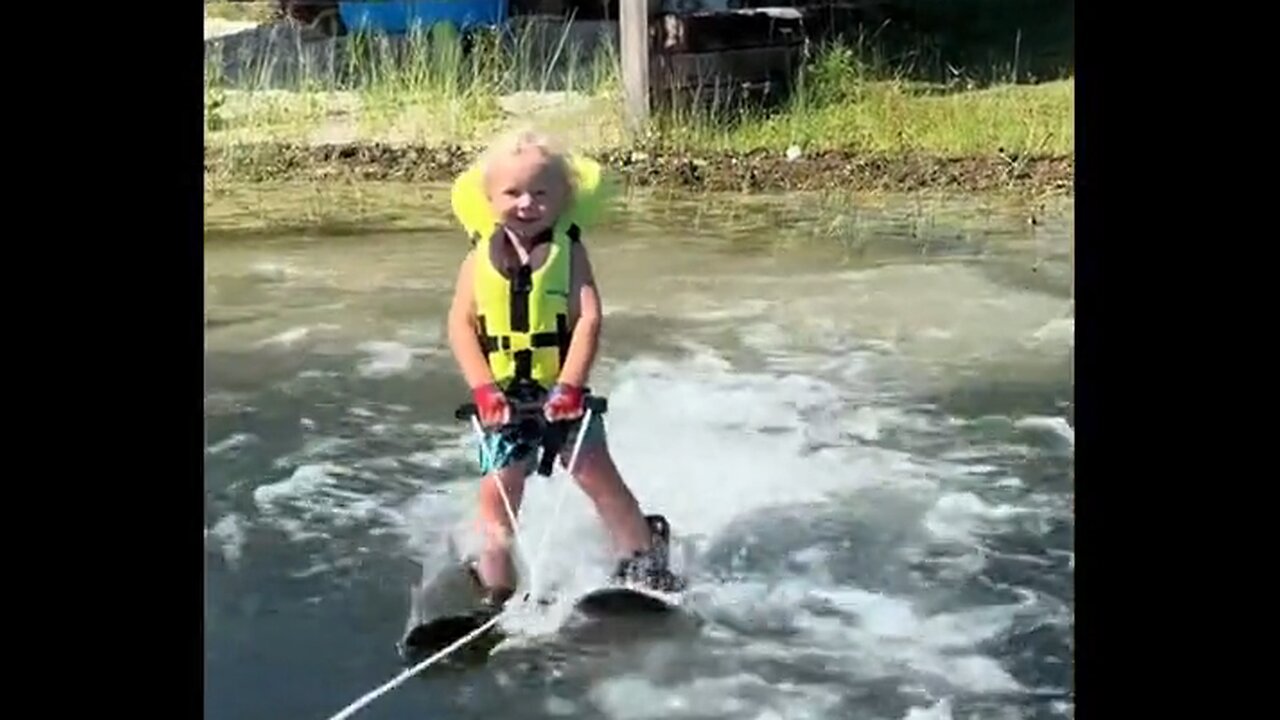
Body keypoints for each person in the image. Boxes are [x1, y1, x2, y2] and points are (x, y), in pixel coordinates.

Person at [444, 129, 684, 612]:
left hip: (562, 395)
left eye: (540, 193)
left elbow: (590, 318)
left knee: (597, 476)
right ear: (490, 199)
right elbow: (460, 324)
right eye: (513, 193)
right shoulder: (477, 260)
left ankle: (642, 554)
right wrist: (484, 388)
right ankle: (495, 584)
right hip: (502, 401)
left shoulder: (569, 254)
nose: (527, 203)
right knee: (498, 493)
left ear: (562, 201)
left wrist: (570, 386)